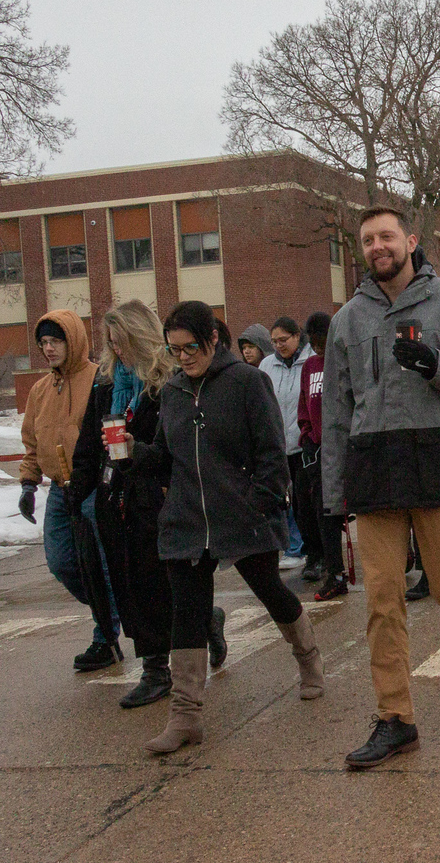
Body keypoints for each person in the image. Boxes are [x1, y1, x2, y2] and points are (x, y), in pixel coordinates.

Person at [323, 206, 440, 769]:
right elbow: (337, 412)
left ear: (411, 240)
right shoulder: (348, 320)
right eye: (367, 240)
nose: (377, 246)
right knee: (382, 601)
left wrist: (436, 363)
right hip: (374, 470)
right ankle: (396, 718)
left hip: (439, 462)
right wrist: (334, 496)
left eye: (387, 236)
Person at [128, 301, 323, 754]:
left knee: (269, 589)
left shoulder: (247, 383)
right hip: (187, 519)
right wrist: (135, 453)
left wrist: (261, 502)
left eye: (190, 347)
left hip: (242, 514)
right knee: (188, 611)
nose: (183, 357)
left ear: (213, 340)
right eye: (174, 350)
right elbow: (165, 456)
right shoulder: (173, 393)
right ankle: (186, 716)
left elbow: (273, 453)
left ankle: (309, 659)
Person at [69, 300, 228, 708]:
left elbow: (182, 444)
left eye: (123, 342)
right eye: (111, 344)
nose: (117, 352)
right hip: (114, 499)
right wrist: (78, 489)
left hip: (157, 498)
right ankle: (171, 650)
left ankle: (162, 667)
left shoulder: (170, 382)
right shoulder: (107, 386)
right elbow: (89, 443)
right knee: (130, 584)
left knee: (158, 584)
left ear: (140, 337)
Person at [19, 309, 121, 671]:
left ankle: (105, 639)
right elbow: (32, 442)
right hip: (59, 491)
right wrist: (29, 483)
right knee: (62, 563)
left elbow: (111, 436)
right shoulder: (40, 390)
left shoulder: (100, 380)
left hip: (94, 486)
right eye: (43, 342)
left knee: (104, 567)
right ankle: (113, 613)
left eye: (56, 340)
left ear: (73, 340)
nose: (48, 348)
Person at [296, 311, 348, 601]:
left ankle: (404, 552)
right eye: (314, 344)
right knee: (323, 512)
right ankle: (334, 571)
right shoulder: (310, 366)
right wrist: (308, 436)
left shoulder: (344, 360)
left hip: (348, 446)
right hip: (317, 449)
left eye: (323, 342)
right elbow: (304, 405)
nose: (319, 349)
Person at [264, 316, 315, 571]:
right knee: (283, 502)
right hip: (277, 445)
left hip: (304, 443)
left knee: (305, 502)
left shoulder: (311, 360)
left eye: (283, 340)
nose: (278, 346)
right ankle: (292, 547)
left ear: (297, 336)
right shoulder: (267, 365)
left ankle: (311, 551)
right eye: (274, 341)